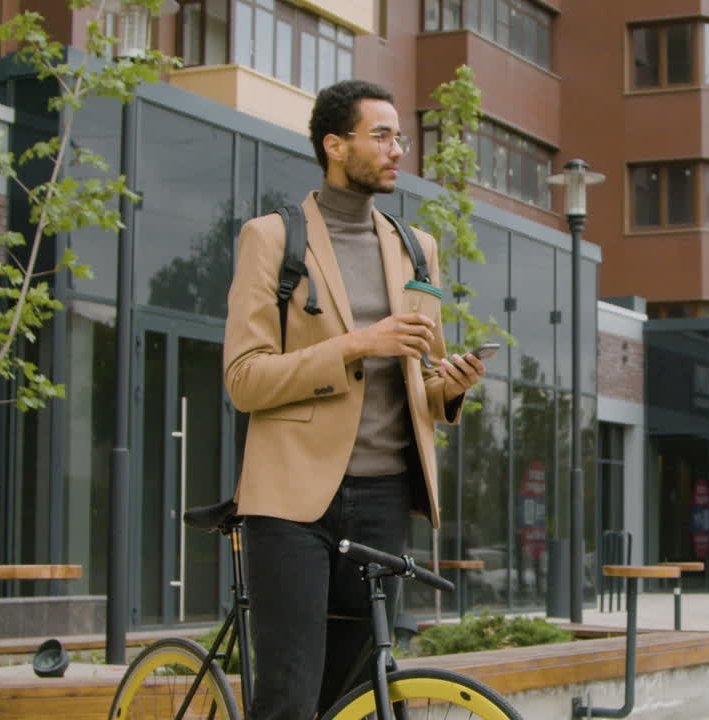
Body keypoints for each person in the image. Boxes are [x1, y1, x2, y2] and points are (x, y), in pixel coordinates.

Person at [223, 79, 485, 720]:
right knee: (287, 694)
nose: (398, 149)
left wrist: (450, 384)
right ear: (334, 145)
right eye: (382, 136)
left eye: (400, 136)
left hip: (384, 497)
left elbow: (415, 379)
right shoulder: (271, 238)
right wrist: (353, 345)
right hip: (291, 503)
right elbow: (245, 379)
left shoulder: (417, 246)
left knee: (356, 694)